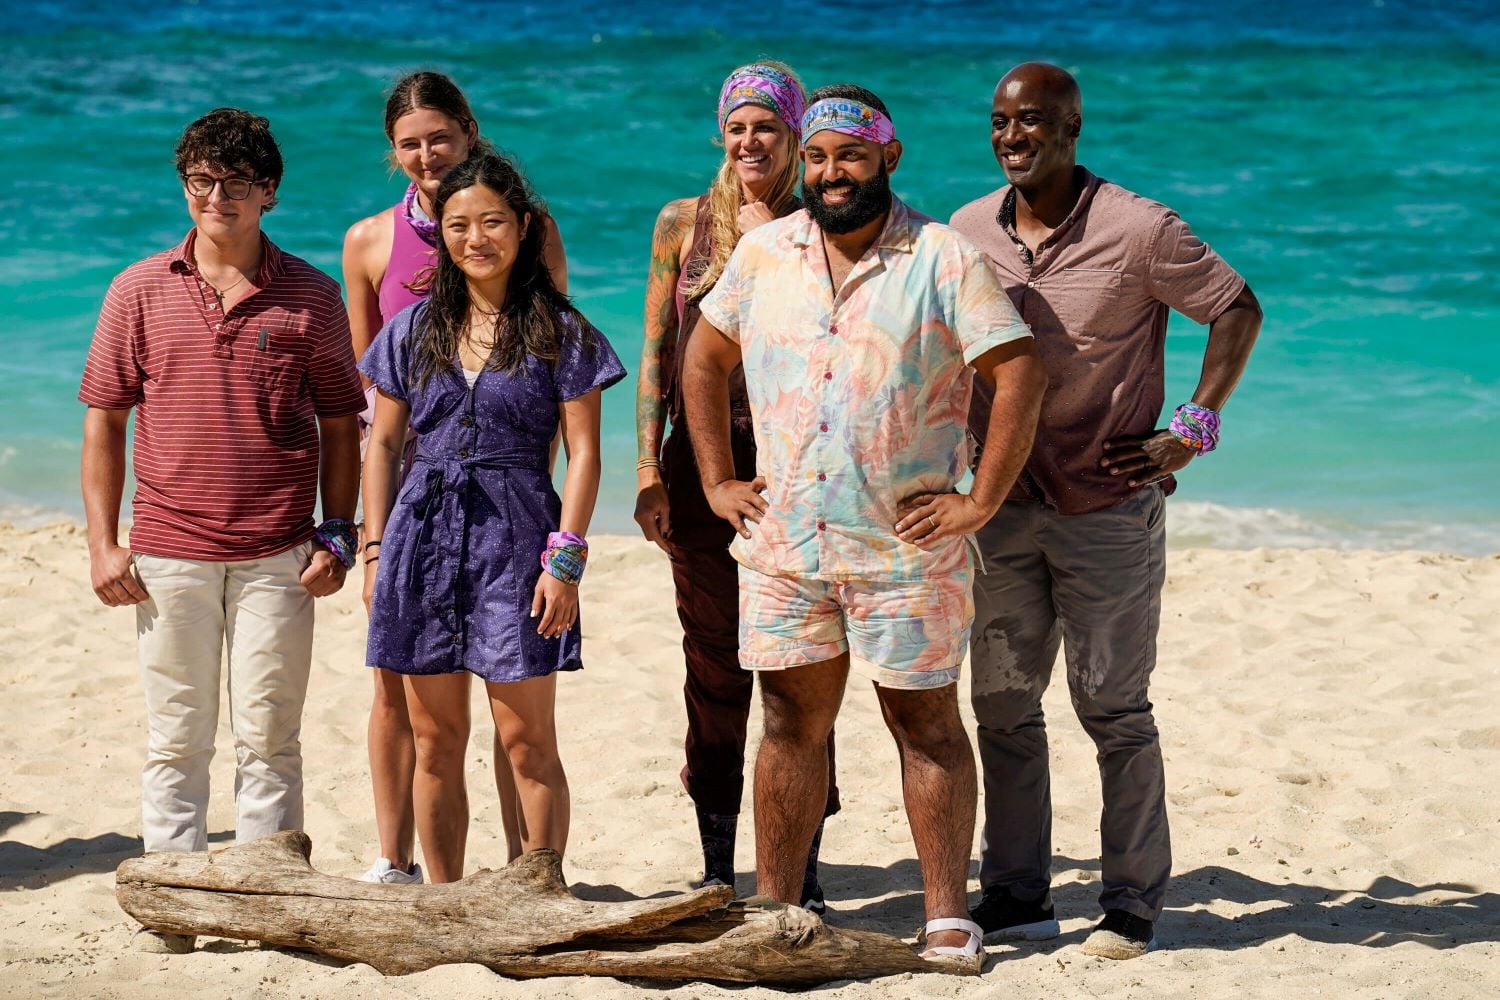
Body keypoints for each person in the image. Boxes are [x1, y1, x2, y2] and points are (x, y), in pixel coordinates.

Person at [683, 85, 1046, 962]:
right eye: (815, 157)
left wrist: (980, 500)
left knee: (926, 725)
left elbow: (1020, 372)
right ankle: (776, 910)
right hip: (785, 547)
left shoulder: (942, 257)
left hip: (905, 548)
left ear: (889, 155)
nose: (831, 172)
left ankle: (947, 915)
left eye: (849, 154)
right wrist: (716, 479)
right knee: (788, 726)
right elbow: (703, 358)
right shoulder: (764, 252)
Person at [950, 62, 1264, 959]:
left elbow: (1236, 308)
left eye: (1032, 121)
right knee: (1003, 709)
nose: (1013, 136)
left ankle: (1131, 902)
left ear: (1071, 128)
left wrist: (1192, 429)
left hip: (1109, 508)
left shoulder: (1140, 229)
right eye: (1001, 121)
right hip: (1001, 508)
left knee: (1115, 711)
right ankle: (1016, 893)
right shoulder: (967, 231)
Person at [79, 109, 364, 953]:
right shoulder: (137, 289)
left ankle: (266, 901)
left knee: (270, 738)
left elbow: (341, 424)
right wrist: (102, 543)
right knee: (177, 737)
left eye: (236, 182)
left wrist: (339, 532)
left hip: (281, 552)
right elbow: (104, 421)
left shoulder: (311, 295)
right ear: (184, 186)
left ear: (268, 191)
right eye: (201, 181)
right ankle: (174, 903)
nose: (216, 197)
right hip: (167, 551)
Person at [360, 151, 624, 884]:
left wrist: (564, 562)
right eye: (459, 225)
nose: (476, 238)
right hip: (420, 541)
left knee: (527, 741)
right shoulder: (411, 330)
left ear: (523, 227)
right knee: (435, 739)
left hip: (519, 542)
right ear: (440, 234)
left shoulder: (562, 333)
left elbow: (585, 454)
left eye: (493, 222)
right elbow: (383, 445)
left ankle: (536, 891)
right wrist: (375, 550)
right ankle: (447, 904)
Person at [342, 71, 569, 885]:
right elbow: (370, 395)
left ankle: (522, 876)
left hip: (506, 493)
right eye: (410, 143)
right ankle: (396, 859)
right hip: (409, 496)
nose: (427, 154)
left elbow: (545, 375)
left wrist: (534, 505)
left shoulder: (528, 226)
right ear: (392, 151)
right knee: (401, 697)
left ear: (469, 131)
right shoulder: (369, 240)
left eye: (440, 137)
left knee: (515, 709)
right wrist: (375, 537)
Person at [633, 60, 839, 907]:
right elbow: (657, 351)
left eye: (768, 127)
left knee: (803, 664)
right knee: (713, 665)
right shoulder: (683, 225)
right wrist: (647, 469)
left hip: (797, 469)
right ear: (722, 134)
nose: (750, 141)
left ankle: (803, 866)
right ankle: (719, 864)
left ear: (794, 136)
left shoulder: (823, 221)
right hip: (698, 469)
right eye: (738, 127)